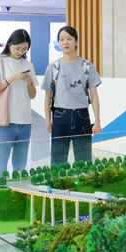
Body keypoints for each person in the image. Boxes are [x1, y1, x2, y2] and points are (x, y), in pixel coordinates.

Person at [41, 26, 102, 166]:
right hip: (60, 117)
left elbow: (94, 96)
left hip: (82, 117)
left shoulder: (87, 66)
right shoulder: (53, 67)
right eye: (61, 39)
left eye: (69, 38)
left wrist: (97, 120)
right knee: (58, 162)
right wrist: (47, 120)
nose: (65, 42)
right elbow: (47, 97)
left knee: (84, 161)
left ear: (76, 41)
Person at [0, 29, 39, 174]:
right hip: (5, 121)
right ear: (10, 44)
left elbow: (32, 95)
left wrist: (30, 82)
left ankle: (18, 188)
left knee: (20, 167)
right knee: (0, 165)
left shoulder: (28, 64)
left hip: (25, 122)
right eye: (17, 48)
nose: (20, 52)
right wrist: (12, 78)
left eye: (24, 49)